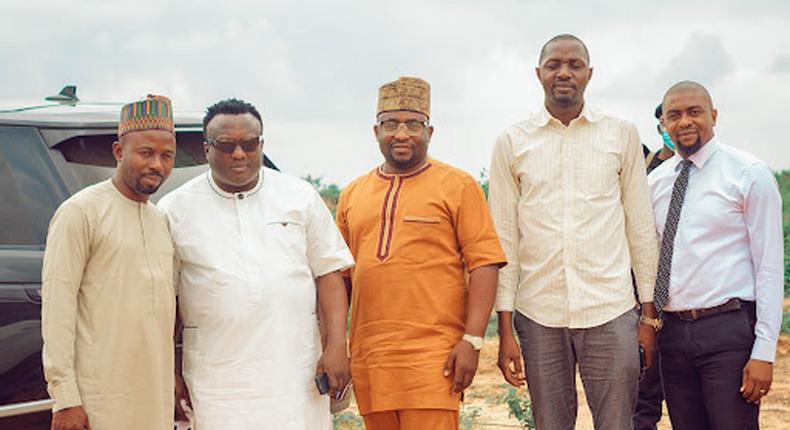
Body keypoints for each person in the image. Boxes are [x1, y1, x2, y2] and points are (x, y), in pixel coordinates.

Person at [489, 34, 660, 429]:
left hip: (611, 309)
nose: (564, 73)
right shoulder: (512, 142)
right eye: (554, 65)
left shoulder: (621, 134)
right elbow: (503, 240)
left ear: (589, 74)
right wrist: (505, 327)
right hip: (538, 312)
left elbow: (639, 229)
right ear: (539, 74)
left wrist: (648, 316)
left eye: (574, 65)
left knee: (618, 423)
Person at [158, 98, 353, 429]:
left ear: (261, 144)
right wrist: (170, 372)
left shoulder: (299, 196)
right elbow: (165, 301)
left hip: (294, 372)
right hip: (217, 379)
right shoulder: (174, 209)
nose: (239, 154)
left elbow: (329, 273)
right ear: (206, 149)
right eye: (226, 145)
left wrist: (336, 346)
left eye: (249, 144)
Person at [335, 76, 507, 430]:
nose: (402, 134)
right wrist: (335, 344)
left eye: (413, 124)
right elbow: (339, 279)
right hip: (372, 360)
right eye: (391, 124)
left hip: (434, 358)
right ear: (375, 130)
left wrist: (473, 340)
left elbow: (485, 263)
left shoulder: (458, 186)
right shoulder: (353, 195)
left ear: (430, 131)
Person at [648, 81, 783, 430]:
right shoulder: (656, 183)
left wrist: (764, 352)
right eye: (674, 115)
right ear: (664, 124)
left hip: (728, 330)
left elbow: (768, 267)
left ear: (714, 116)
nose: (684, 122)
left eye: (694, 112)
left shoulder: (748, 174)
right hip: (673, 334)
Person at [42, 95, 178, 430]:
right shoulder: (81, 212)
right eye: (146, 152)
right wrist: (65, 398)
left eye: (166, 155)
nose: (157, 165)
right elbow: (57, 309)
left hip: (154, 400)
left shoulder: (160, 221)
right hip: (99, 401)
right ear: (119, 152)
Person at [633, 103, 675, 430]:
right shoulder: (642, 166)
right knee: (643, 393)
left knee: (686, 393)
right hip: (642, 300)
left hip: (686, 300)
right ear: (659, 124)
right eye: (667, 119)